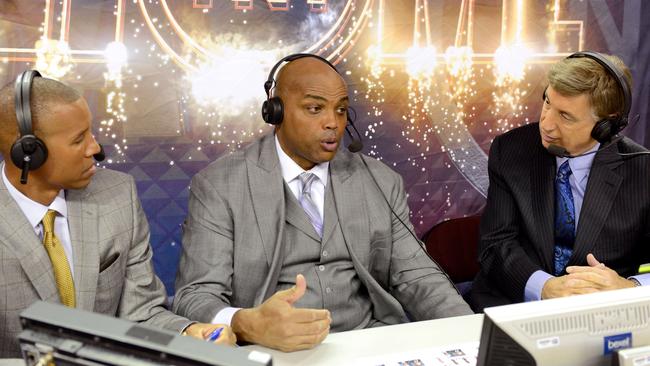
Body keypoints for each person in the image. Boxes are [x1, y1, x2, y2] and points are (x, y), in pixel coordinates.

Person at [172, 54, 472, 353]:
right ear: (276, 112)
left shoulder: (380, 180)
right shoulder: (219, 185)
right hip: (267, 350)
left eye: (341, 110)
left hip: (369, 343)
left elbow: (418, 276)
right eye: (314, 108)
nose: (333, 123)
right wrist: (246, 324)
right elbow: (196, 295)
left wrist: (473, 338)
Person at [0, 72, 235, 358]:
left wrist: (188, 334)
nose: (95, 148)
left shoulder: (118, 195)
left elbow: (141, 314)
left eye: (91, 132)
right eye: (78, 140)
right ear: (27, 152)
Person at [469, 51, 650, 312]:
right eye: (547, 103)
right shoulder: (510, 150)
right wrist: (544, 287)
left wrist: (629, 289)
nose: (547, 124)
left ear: (606, 124)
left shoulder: (642, 170)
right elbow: (495, 245)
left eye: (565, 116)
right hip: (512, 305)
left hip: (602, 314)